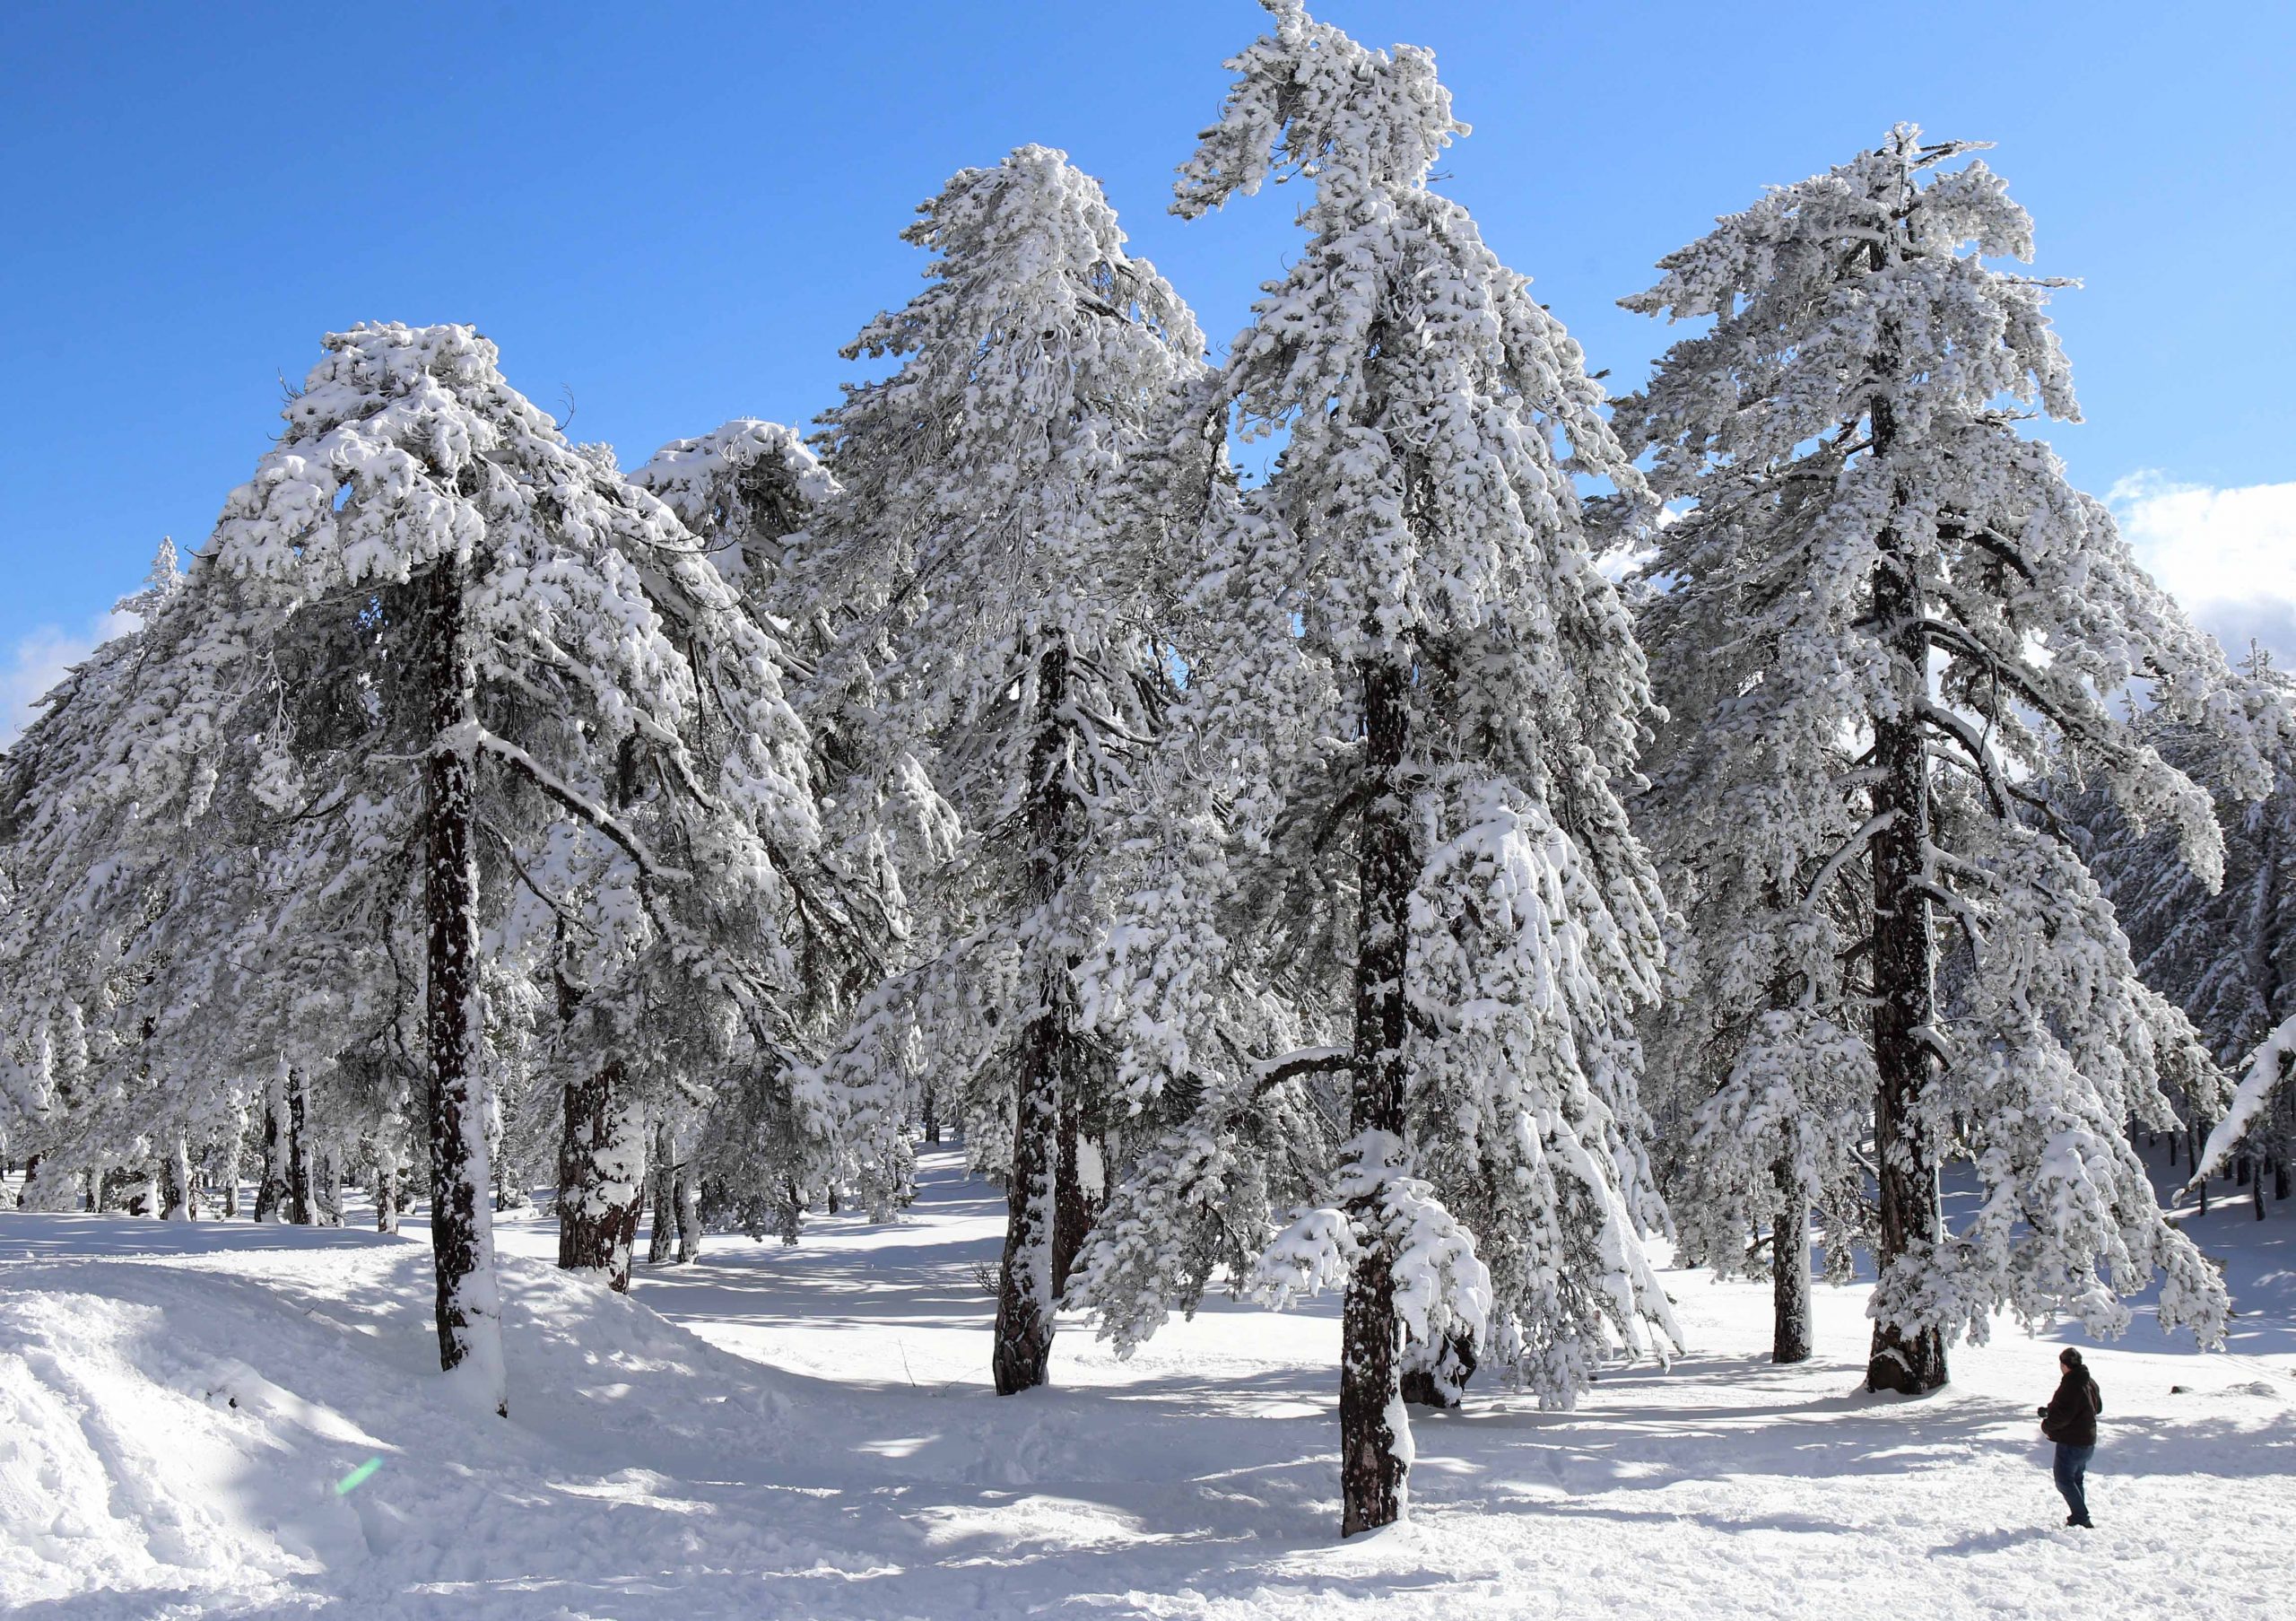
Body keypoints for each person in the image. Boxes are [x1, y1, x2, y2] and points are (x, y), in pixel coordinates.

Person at [2039, 1346, 2103, 1528]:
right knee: (2075, 1479)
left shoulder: (2071, 1385)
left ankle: (2081, 1517)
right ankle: (2079, 1518)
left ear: (2064, 1365)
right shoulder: (2088, 1381)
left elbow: (2064, 1415)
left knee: (2063, 1481)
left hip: (2072, 1442)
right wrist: (2050, 1410)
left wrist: (2047, 1425)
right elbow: (2095, 1408)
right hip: (2087, 1440)